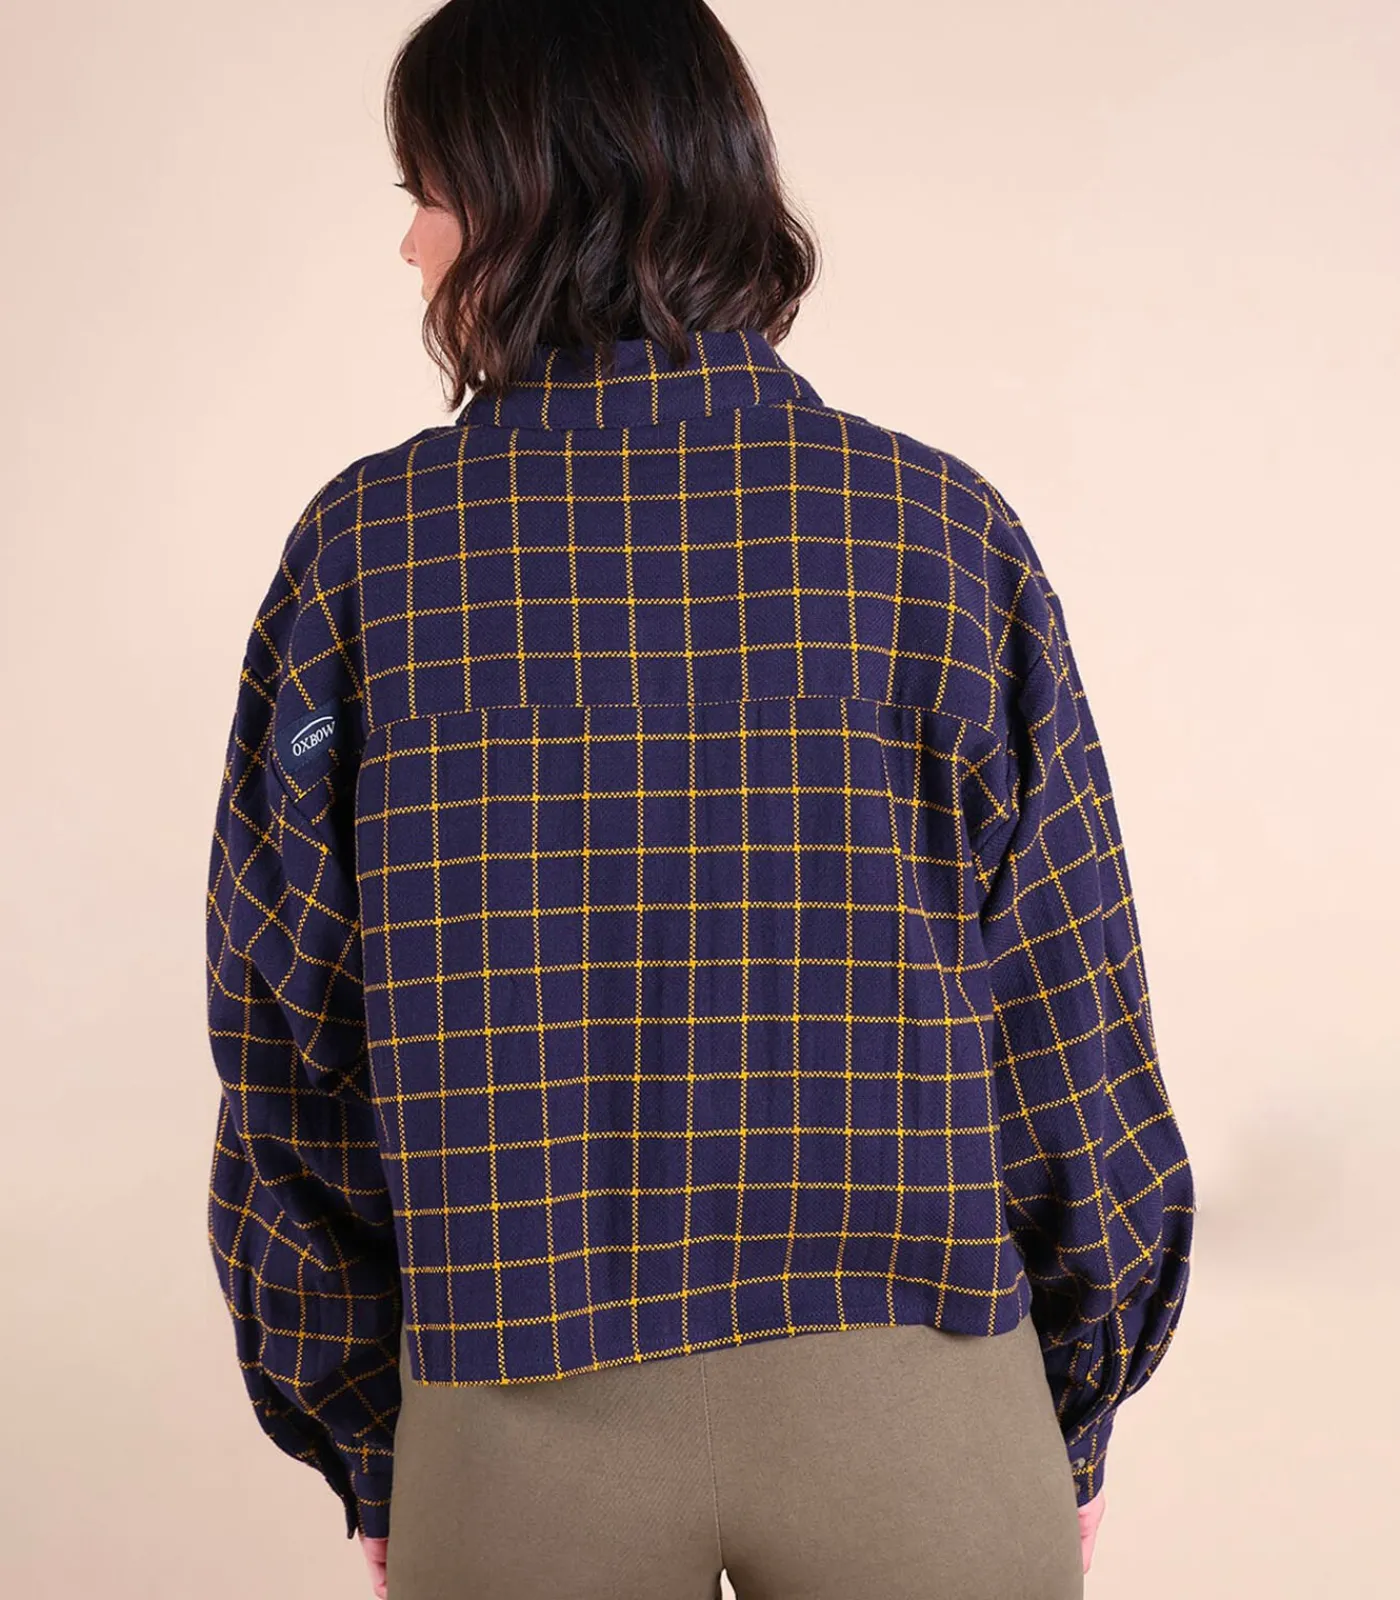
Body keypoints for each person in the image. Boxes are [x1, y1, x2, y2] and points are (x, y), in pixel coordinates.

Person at [203, 2, 1194, 1596]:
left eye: (428, 193)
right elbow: (1068, 1017)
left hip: (511, 1398)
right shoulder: (935, 532)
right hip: (922, 1400)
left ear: (527, 198)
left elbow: (289, 1046)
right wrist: (1070, 1401)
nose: (411, 246)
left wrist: (370, 1429)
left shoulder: (367, 555)